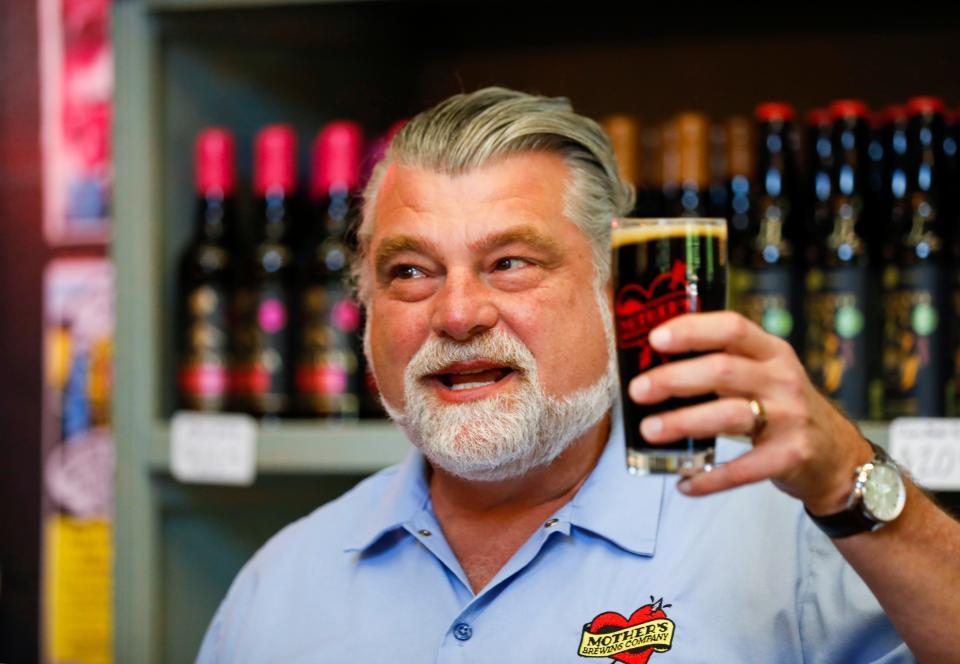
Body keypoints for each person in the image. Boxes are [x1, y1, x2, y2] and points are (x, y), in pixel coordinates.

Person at [197, 87, 960, 663]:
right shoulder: (278, 588)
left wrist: (853, 477)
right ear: (364, 309)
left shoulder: (786, 538)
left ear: (613, 288)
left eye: (511, 263)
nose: (458, 314)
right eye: (410, 271)